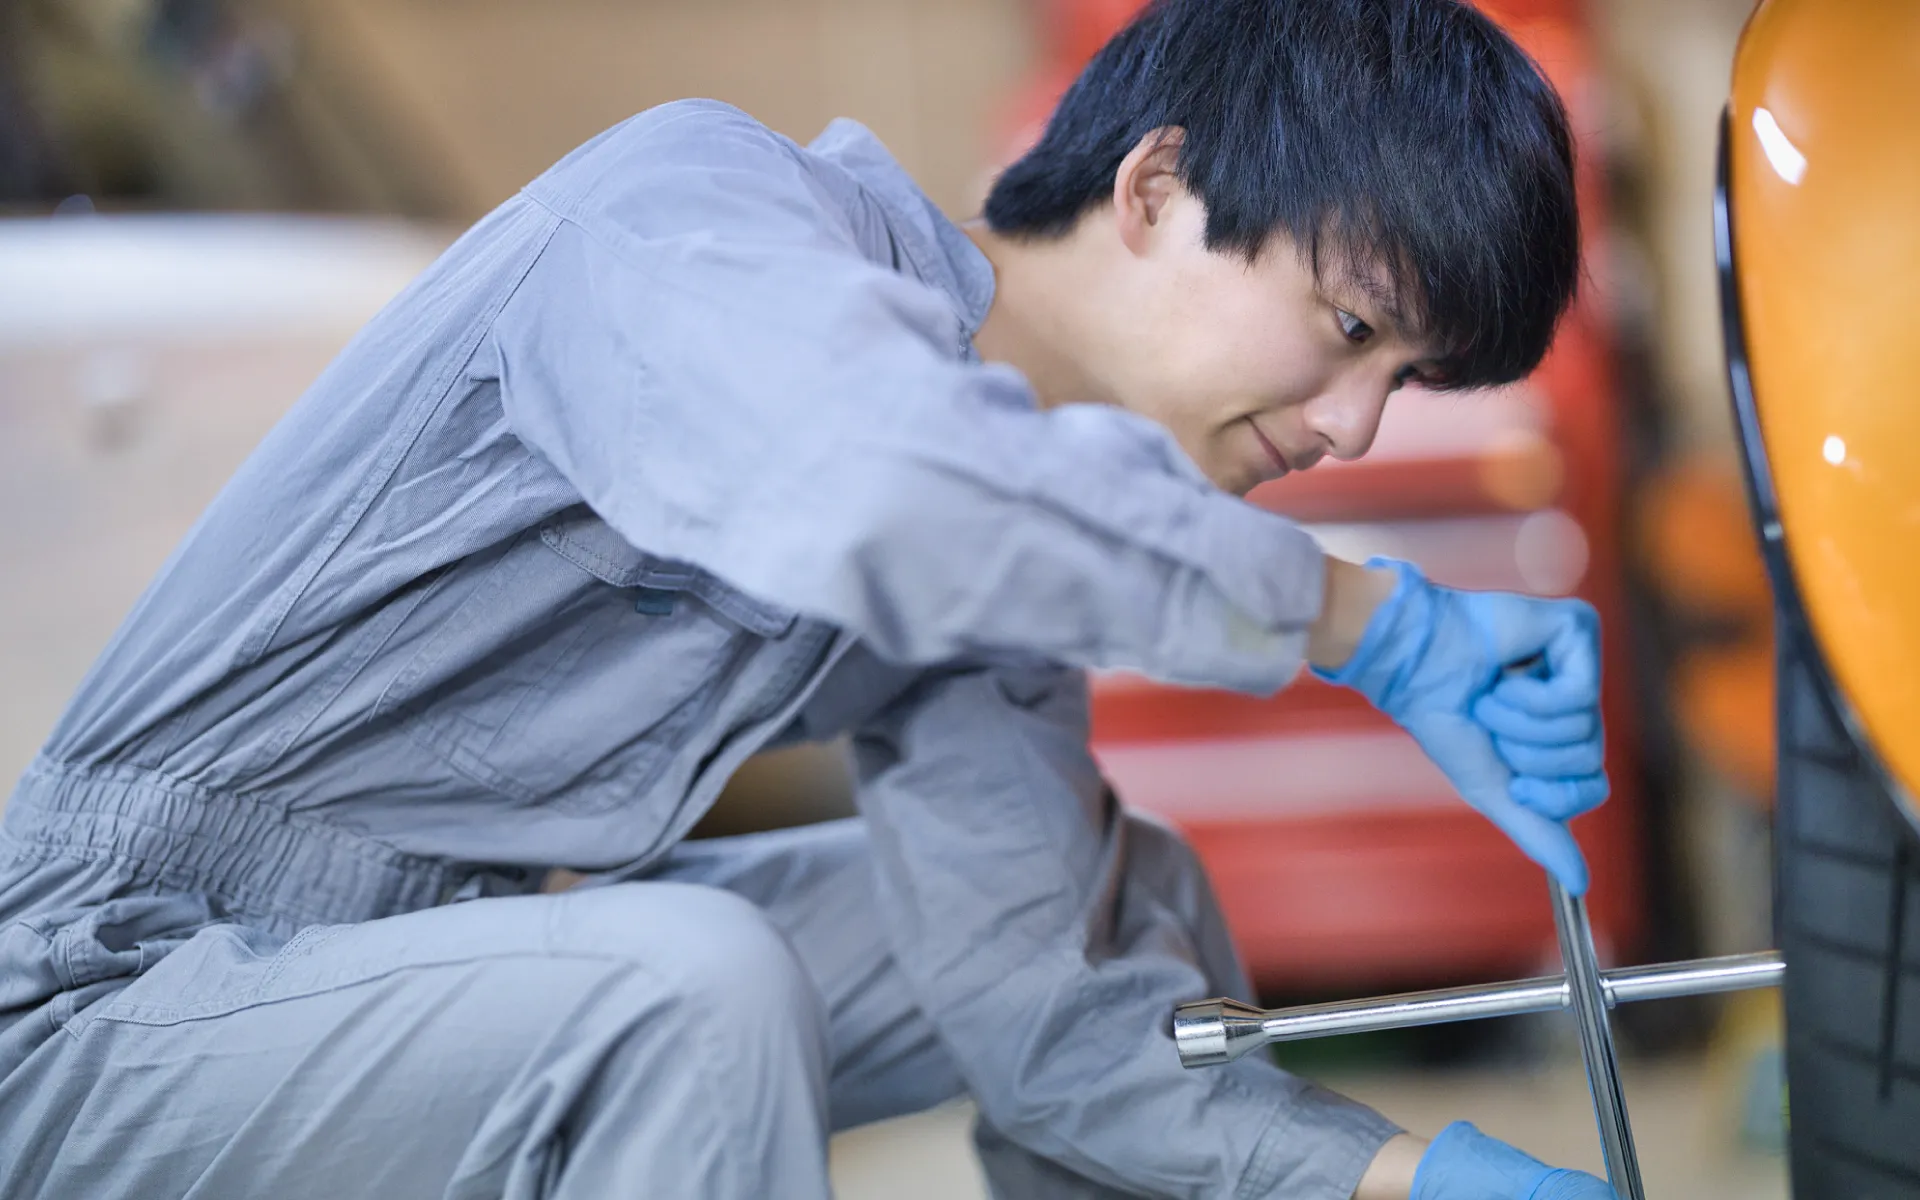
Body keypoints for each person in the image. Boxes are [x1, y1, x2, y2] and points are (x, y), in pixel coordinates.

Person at [0, 0, 1618, 1196]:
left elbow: (1045, 1021)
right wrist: (1369, 625)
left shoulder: (1017, 531)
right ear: (1152, 188)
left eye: (1405, 385)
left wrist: (1392, 1177)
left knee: (1127, 906)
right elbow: (885, 484)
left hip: (445, 962)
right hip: (109, 999)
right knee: (691, 986)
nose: (1352, 429)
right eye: (1349, 330)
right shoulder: (699, 216)